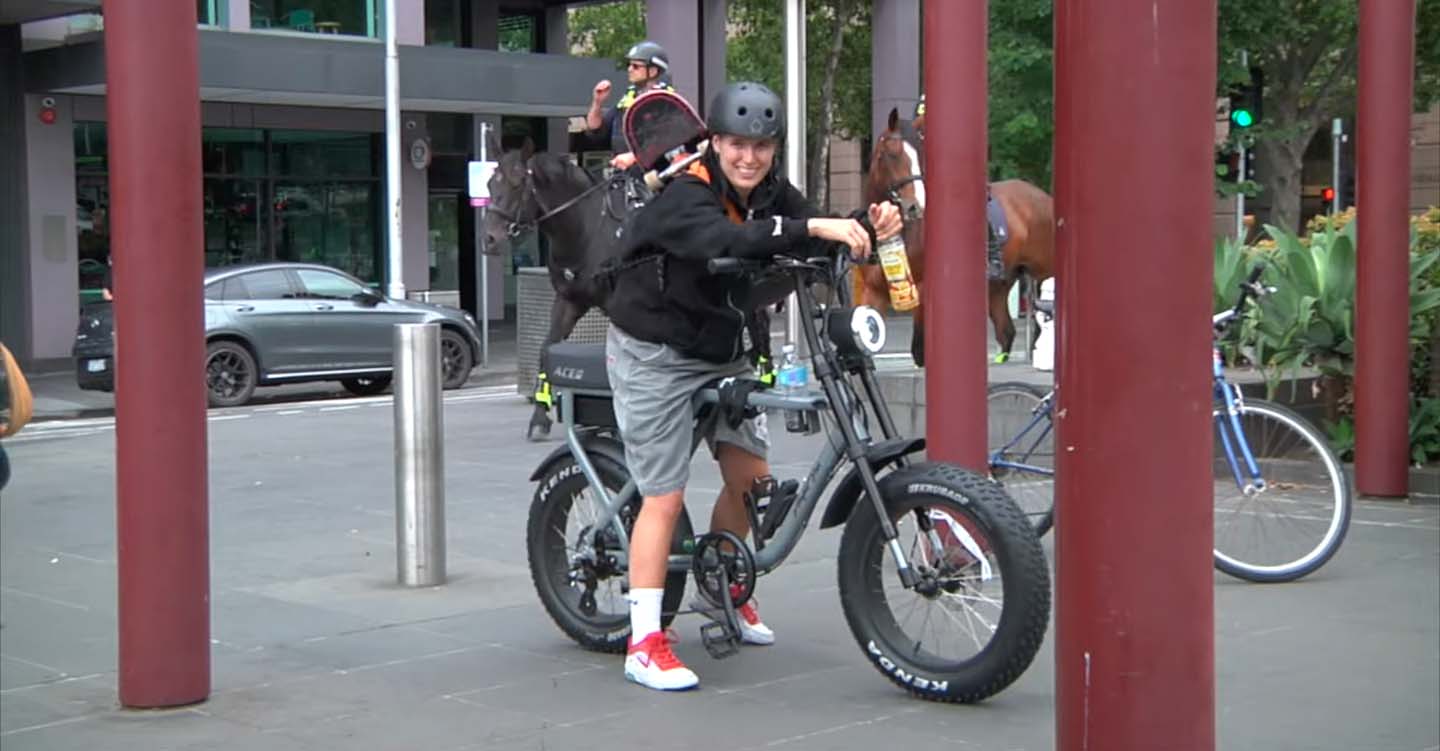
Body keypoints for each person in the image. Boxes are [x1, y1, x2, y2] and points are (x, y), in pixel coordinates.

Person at [603, 81, 903, 691]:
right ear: (715, 142)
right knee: (664, 496)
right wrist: (811, 226)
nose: (749, 157)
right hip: (655, 352)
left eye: (761, 146)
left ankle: (720, 588)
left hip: (722, 349)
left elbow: (807, 228)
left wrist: (866, 223)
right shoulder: (685, 193)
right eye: (737, 144)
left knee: (751, 481)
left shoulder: (769, 192)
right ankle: (644, 643)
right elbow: (728, 241)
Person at [580, 40, 675, 170]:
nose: (630, 69)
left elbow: (668, 141)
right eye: (629, 65)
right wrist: (597, 102)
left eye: (636, 66)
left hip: (654, 176)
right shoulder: (628, 98)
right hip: (623, 174)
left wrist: (634, 157)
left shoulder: (666, 101)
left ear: (652, 71)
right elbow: (596, 130)